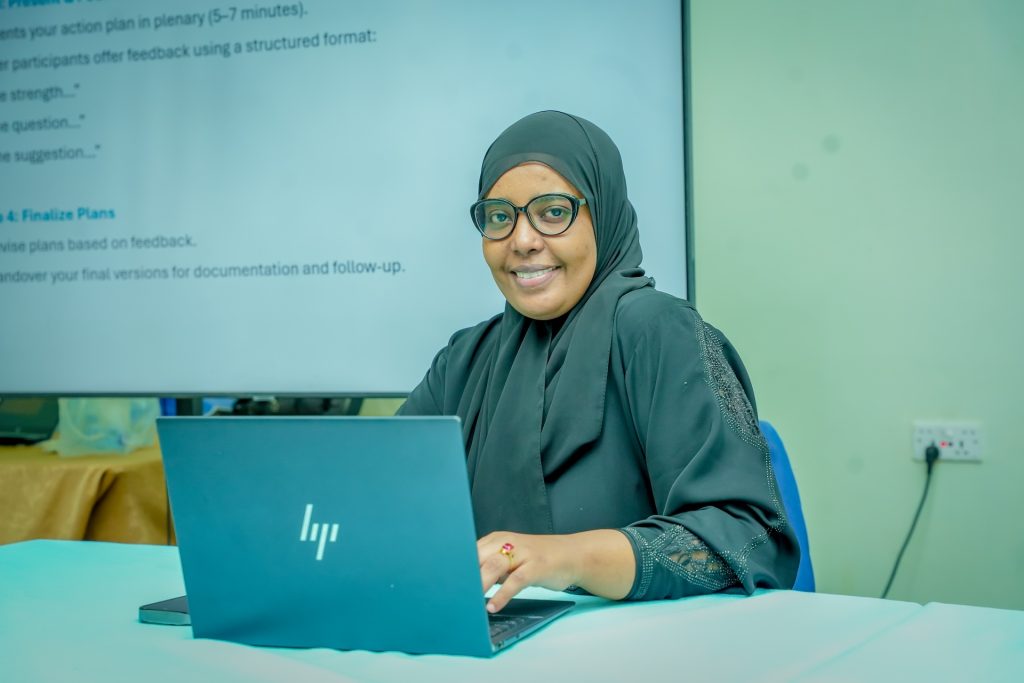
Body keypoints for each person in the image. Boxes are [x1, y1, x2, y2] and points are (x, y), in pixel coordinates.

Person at [399, 111, 799, 612]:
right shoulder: (465, 360)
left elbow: (749, 537)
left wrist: (568, 558)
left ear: (602, 213)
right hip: (497, 647)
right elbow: (375, 495)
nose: (522, 240)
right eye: (500, 216)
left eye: (552, 212)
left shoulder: (661, 333)